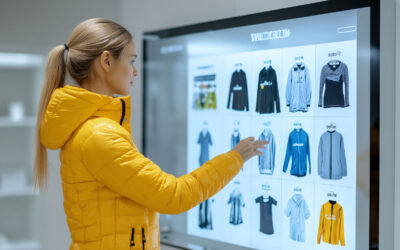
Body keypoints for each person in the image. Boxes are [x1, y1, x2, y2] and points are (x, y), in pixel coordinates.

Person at [33, 18, 268, 250]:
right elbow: (174, 196)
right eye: (131, 61)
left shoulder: (92, 128)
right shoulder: (100, 135)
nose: (135, 72)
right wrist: (235, 158)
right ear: (106, 61)